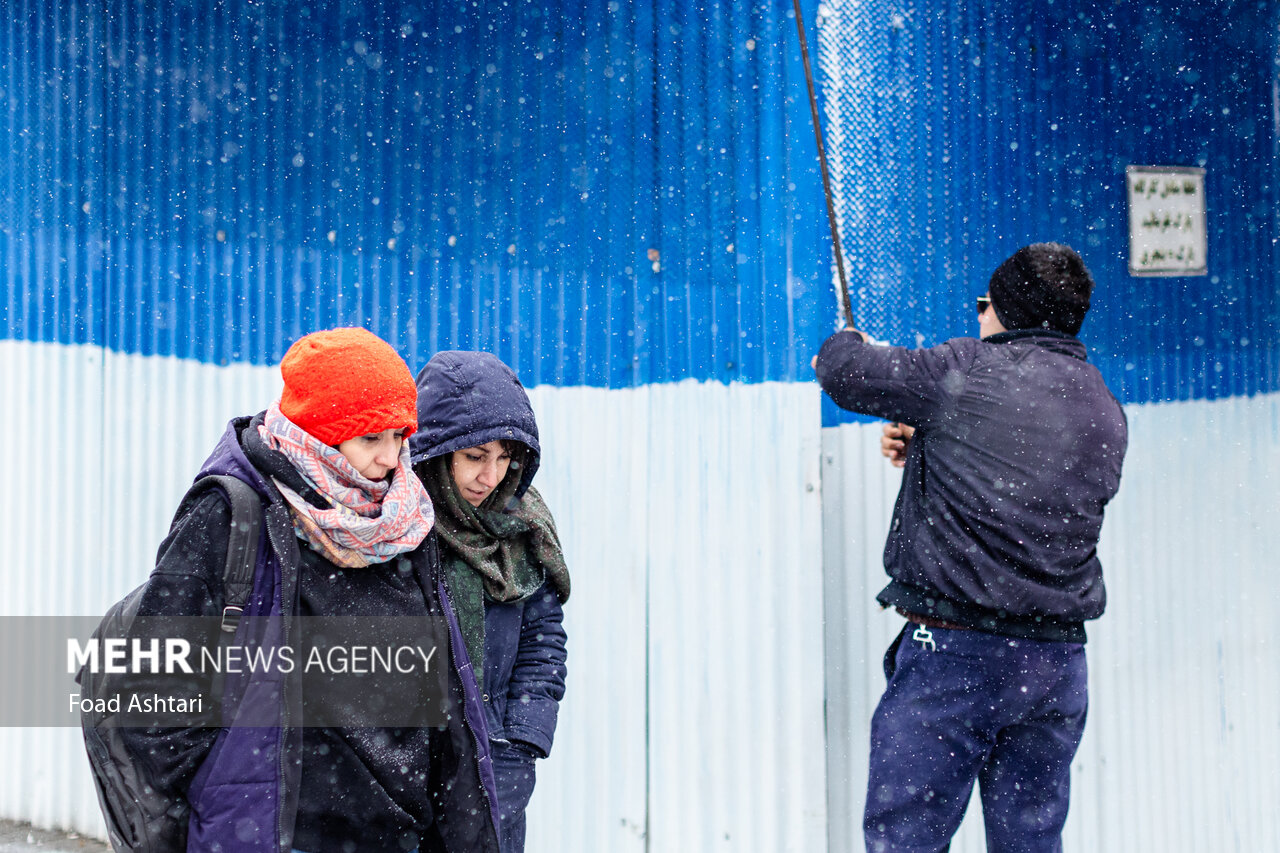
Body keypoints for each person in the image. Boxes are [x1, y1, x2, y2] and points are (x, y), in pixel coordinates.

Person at [116, 327, 500, 853]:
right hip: (278, 835)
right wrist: (220, 791)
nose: (391, 460)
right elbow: (148, 688)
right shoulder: (232, 514)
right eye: (371, 438)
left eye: (400, 436)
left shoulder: (406, 519)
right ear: (318, 434)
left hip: (399, 833)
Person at [813, 243, 1128, 852]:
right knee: (1030, 841)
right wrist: (931, 438)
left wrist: (845, 339)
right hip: (1056, 667)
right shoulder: (1103, 407)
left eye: (983, 304)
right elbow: (1026, 474)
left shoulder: (968, 369)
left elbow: (844, 373)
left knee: (906, 839)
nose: (978, 316)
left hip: (957, 655)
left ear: (1003, 311)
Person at [410, 351, 570, 853]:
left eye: (506, 458)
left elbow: (543, 638)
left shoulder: (523, 528)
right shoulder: (394, 529)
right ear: (437, 455)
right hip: (407, 770)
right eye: (475, 457)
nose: (492, 476)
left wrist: (520, 743)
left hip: (495, 765)